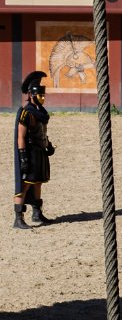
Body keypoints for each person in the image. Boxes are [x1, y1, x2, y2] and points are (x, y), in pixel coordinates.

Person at [13, 71, 55, 230]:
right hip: (29, 153)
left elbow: (41, 131)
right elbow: (21, 137)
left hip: (40, 152)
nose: (41, 97)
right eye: (39, 95)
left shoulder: (41, 112)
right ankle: (18, 218)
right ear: (31, 95)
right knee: (24, 185)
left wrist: (48, 145)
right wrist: (23, 158)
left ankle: (37, 214)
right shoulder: (26, 112)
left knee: (38, 182)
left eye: (43, 95)